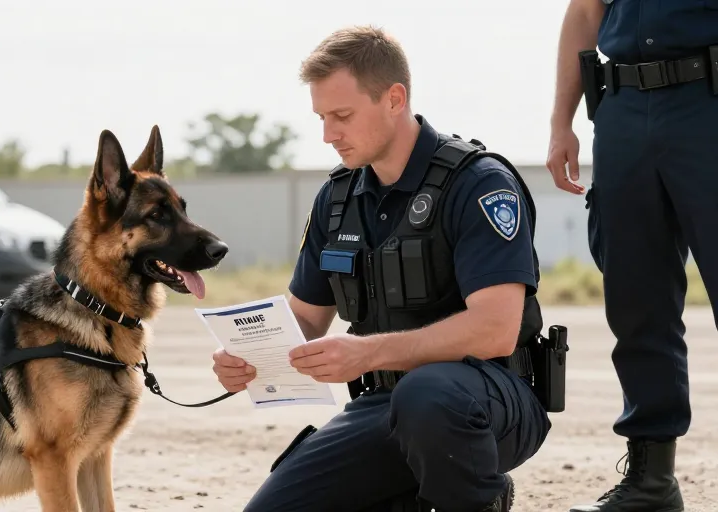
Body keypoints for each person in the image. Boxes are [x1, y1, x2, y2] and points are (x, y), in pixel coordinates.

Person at [212, 25, 555, 512]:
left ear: (394, 98)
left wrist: (367, 353)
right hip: (385, 406)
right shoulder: (336, 199)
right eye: (322, 117)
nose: (328, 135)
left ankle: (481, 499)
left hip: (489, 401)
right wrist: (250, 357)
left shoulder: (478, 184)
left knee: (429, 397)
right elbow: (305, 320)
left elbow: (496, 330)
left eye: (342, 116)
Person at [546, 0, 718, 510]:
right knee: (636, 300)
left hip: (707, 102)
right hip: (622, 110)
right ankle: (651, 481)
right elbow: (584, 12)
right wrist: (562, 121)